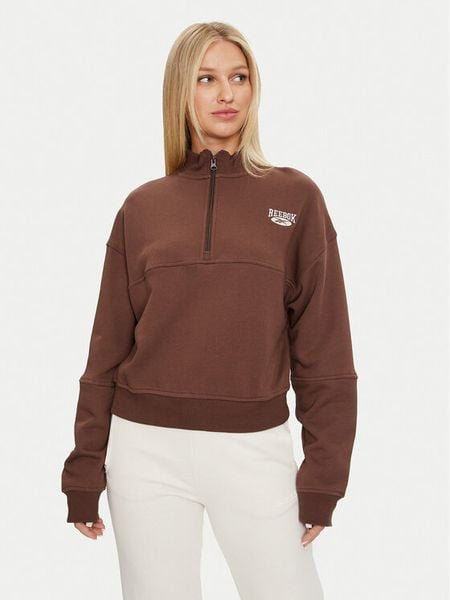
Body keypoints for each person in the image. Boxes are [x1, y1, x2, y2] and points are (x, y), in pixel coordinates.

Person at [61, 21, 358, 600]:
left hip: (253, 449)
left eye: (239, 77)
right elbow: (106, 349)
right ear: (182, 90)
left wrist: (325, 475)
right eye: (207, 79)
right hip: (144, 450)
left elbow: (325, 349)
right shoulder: (142, 208)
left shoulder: (296, 199)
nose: (226, 93)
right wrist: (83, 468)